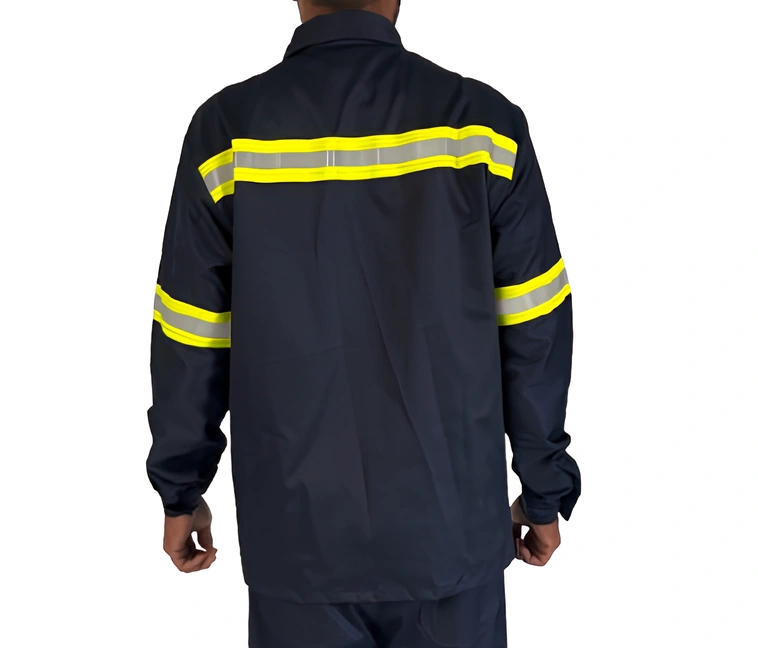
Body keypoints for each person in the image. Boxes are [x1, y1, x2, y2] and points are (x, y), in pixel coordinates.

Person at [146, 0, 581, 645]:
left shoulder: (228, 133)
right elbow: (534, 324)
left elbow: (192, 334)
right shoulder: (485, 127)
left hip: (298, 538)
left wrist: (181, 489)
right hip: (452, 534)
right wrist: (544, 488)